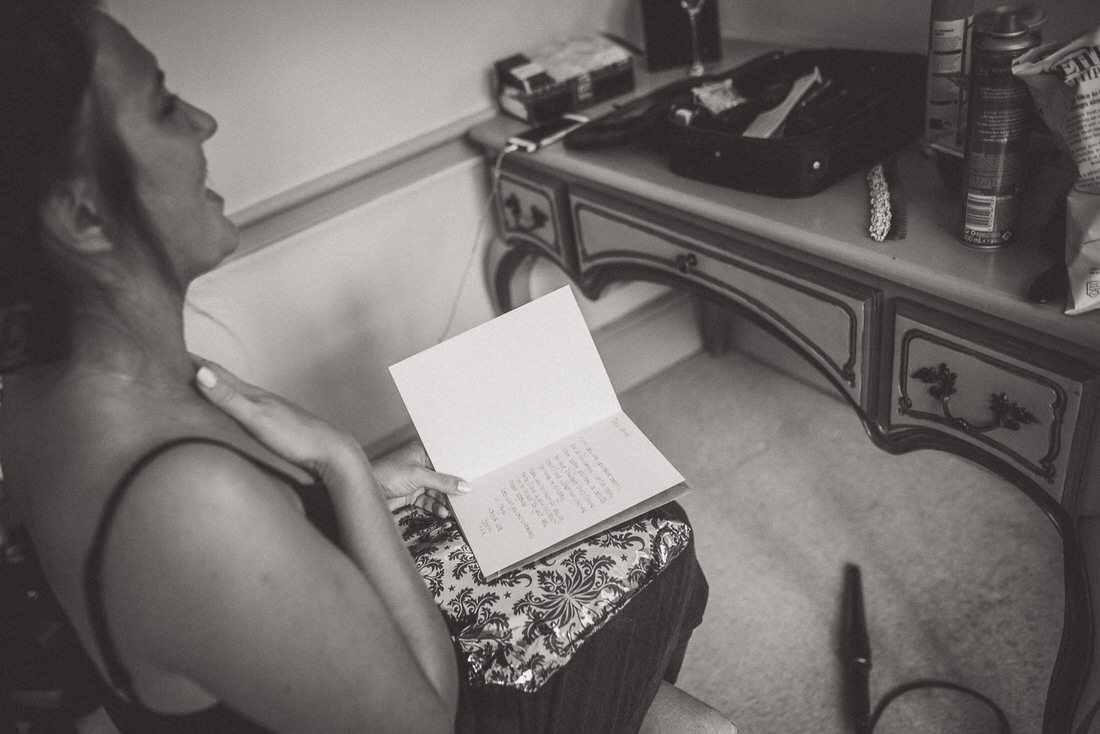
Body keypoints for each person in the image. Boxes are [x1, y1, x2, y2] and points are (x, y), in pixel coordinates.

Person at [0, 2, 732, 733]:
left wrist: (346, 494)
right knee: (660, 539)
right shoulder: (188, 502)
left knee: (590, 517)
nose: (202, 122)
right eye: (162, 105)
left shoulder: (41, 393)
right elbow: (424, 720)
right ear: (84, 218)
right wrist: (342, 464)